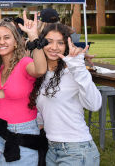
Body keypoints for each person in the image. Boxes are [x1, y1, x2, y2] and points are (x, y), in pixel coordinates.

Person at [35, 23, 101, 165]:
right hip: (52, 149)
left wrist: (78, 67)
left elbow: (95, 105)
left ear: (67, 46)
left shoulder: (72, 71)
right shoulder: (40, 74)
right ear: (41, 43)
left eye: (60, 43)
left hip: (77, 149)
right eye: (49, 41)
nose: (54, 47)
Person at [0, 13, 47, 165]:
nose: (2, 42)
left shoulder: (24, 63)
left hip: (23, 135)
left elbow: (40, 69)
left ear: (15, 41)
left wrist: (34, 37)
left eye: (6, 37)